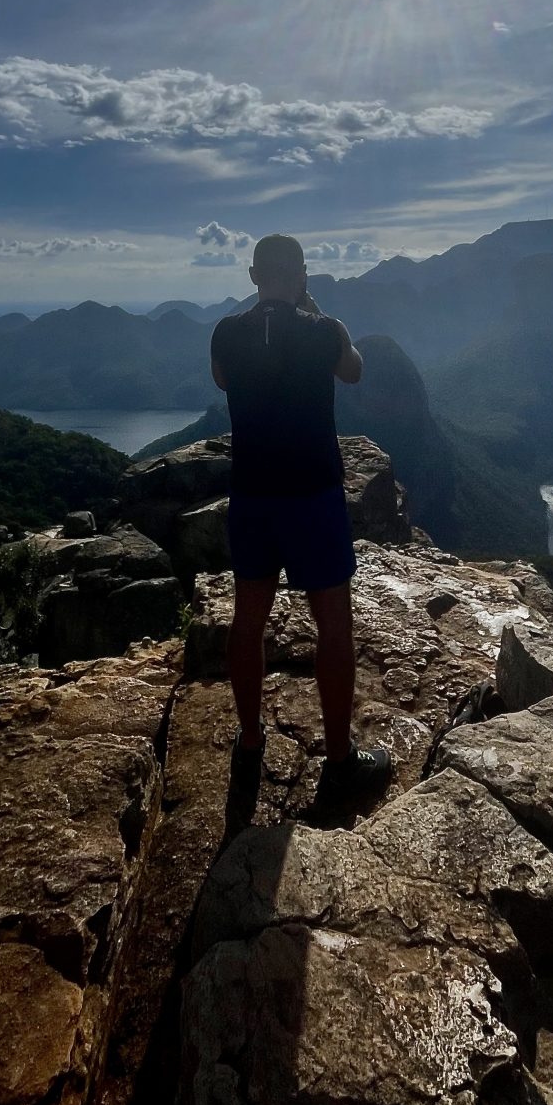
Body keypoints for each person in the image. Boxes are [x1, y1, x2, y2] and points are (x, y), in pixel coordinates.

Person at [209, 232, 392, 801]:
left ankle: (249, 739)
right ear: (303, 275)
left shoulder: (226, 333)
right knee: (333, 626)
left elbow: (221, 380)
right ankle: (338, 760)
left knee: (249, 621)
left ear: (252, 274)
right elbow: (355, 371)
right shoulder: (324, 331)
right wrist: (317, 313)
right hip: (313, 496)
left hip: (253, 496)